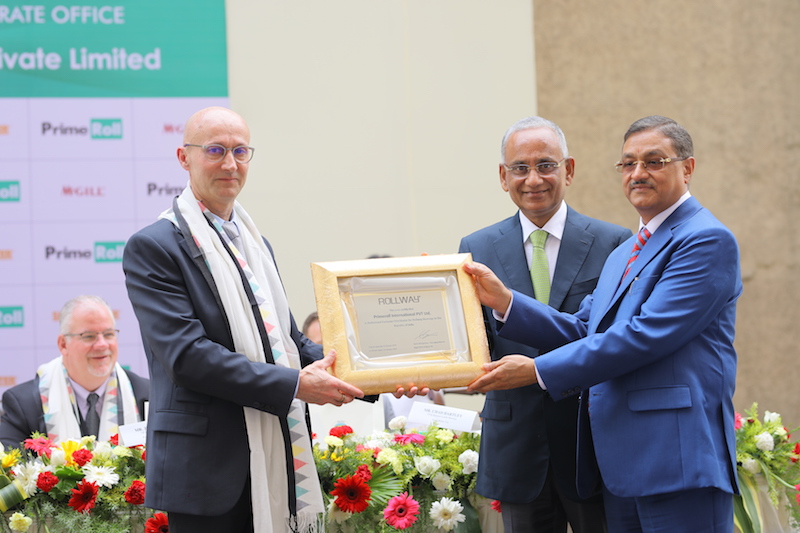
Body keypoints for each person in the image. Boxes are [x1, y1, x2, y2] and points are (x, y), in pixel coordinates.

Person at [123, 107, 424, 533]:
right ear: (183, 157)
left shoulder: (256, 244)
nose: (230, 164)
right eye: (215, 150)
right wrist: (296, 385)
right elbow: (187, 356)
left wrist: (379, 374)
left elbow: (289, 343)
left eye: (240, 151)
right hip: (207, 470)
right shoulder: (154, 246)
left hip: (275, 452)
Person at [465, 115, 741, 533]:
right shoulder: (626, 252)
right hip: (621, 468)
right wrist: (505, 301)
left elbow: (643, 336)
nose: (638, 173)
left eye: (654, 161)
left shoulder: (704, 239)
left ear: (687, 168)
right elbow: (582, 328)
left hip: (678, 461)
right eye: (628, 163)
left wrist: (538, 370)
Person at [459, 116, 630, 533]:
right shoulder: (475, 248)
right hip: (516, 447)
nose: (533, 179)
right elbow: (472, 341)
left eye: (545, 165)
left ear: (568, 170)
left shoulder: (614, 242)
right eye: (520, 167)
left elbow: (611, 339)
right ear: (503, 177)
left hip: (590, 444)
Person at [0, 295, 149, 449]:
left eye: (109, 334)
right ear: (63, 344)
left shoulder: (147, 395)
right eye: (89, 336)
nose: (102, 344)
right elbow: (10, 461)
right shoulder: (24, 405)